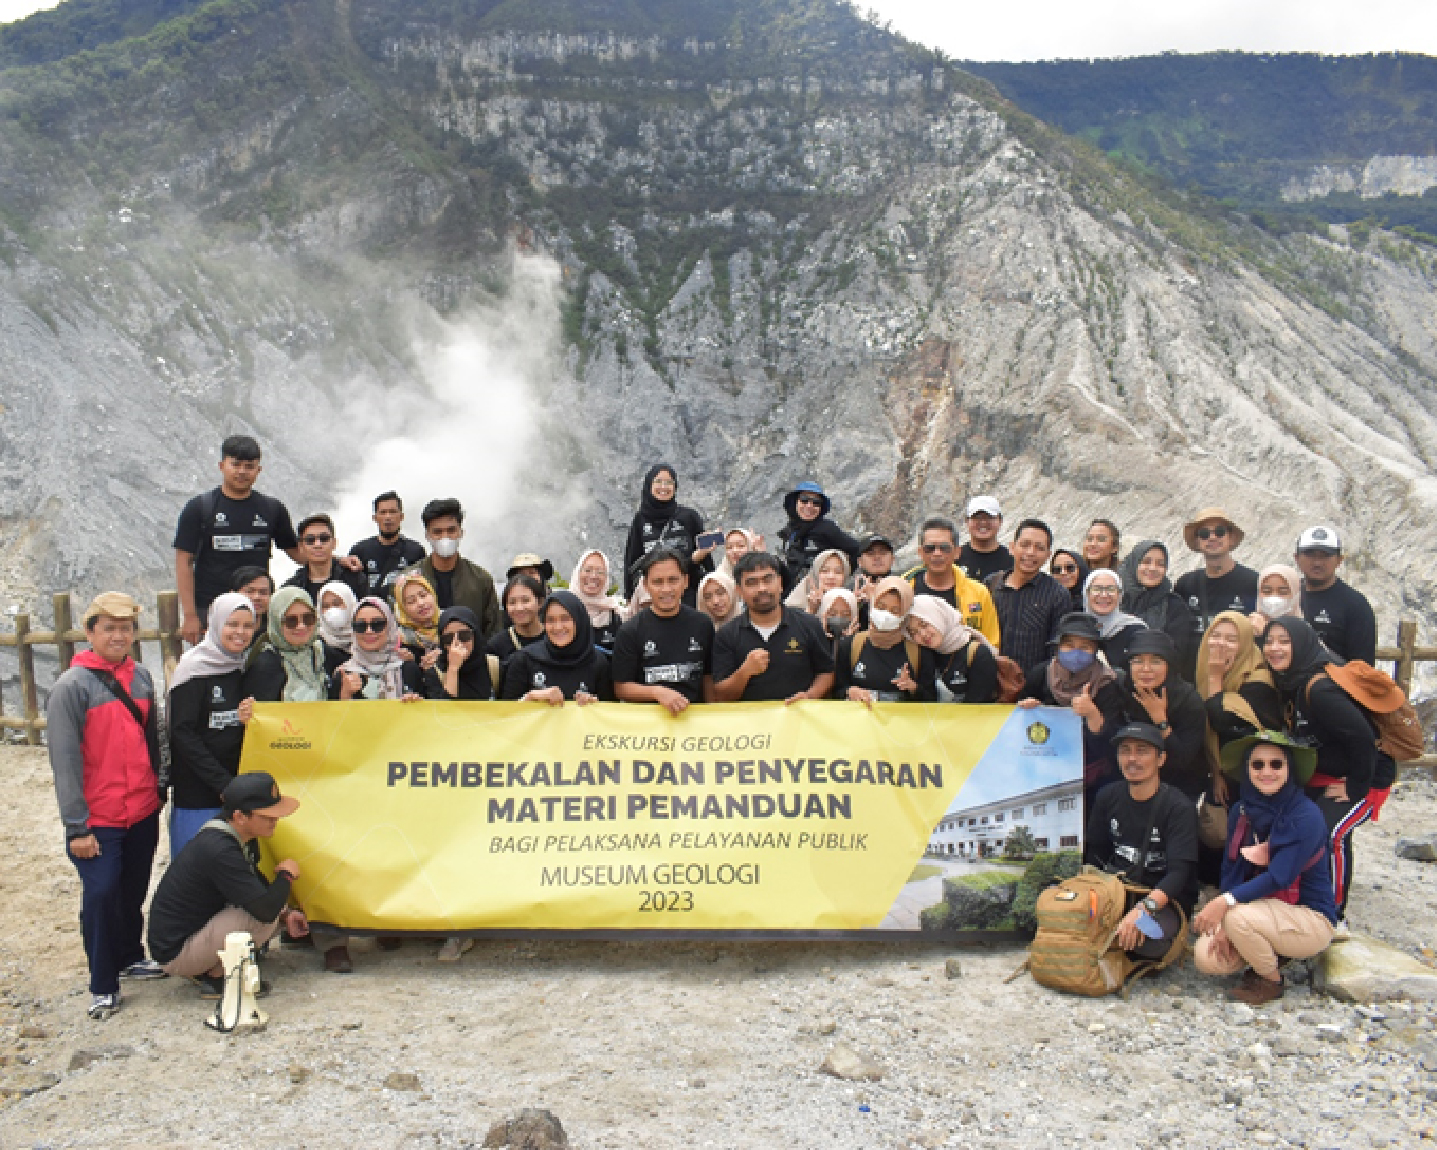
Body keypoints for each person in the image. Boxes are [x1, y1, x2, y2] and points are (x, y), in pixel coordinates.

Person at [46, 593, 166, 1020]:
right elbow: (65, 761)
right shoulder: (71, 687)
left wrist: (158, 789)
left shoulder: (142, 679)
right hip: (98, 817)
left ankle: (131, 955)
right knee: (100, 894)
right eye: (109, 627)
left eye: (126, 627)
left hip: (141, 809)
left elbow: (153, 741)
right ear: (90, 632)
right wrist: (76, 827)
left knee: (133, 890)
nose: (118, 635)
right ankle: (103, 982)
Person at [1193, 734, 1337, 1005]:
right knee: (1206, 957)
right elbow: (1230, 869)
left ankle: (1270, 980)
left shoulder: (1306, 815)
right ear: (1247, 770)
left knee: (1238, 919)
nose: (1266, 772)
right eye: (1257, 765)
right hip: (1259, 911)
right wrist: (1224, 920)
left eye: (1276, 764)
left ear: (1289, 769)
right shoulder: (1241, 811)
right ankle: (1271, 950)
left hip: (1309, 916)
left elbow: (1280, 876)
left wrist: (1225, 905)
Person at [1262, 617, 1383, 922]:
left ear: (1301, 644)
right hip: (1325, 774)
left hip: (1363, 776)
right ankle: (1307, 902)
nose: (1275, 648)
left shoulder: (1320, 688)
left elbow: (1363, 737)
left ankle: (1333, 916)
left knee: (1330, 835)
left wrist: (1356, 786)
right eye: (1269, 641)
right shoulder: (1294, 679)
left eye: (1284, 641)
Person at [146, 772, 309, 995]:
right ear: (240, 816)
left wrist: (287, 913)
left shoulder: (233, 834)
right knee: (262, 920)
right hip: (177, 951)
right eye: (267, 816)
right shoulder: (220, 849)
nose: (275, 820)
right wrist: (286, 876)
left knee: (270, 911)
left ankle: (211, 966)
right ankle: (217, 976)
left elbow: (253, 885)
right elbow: (265, 910)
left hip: (187, 935)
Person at [1083, 722, 1199, 966]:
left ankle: (1116, 940)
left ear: (1161, 759)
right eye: (1125, 751)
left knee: (1149, 940)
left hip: (1160, 899)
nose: (1132, 759)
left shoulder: (1179, 808)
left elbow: (1179, 874)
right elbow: (1095, 855)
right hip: (1118, 891)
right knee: (1065, 914)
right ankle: (1113, 938)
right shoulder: (1108, 796)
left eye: (1142, 751)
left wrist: (1144, 909)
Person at [173, 435, 301, 645]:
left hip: (256, 613)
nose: (242, 471)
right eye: (236, 464)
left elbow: (297, 553)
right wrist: (190, 615)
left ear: (258, 470)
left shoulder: (271, 509)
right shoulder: (199, 508)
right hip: (211, 611)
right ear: (222, 466)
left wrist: (336, 560)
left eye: (249, 466)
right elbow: (183, 561)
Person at [167, 593, 258, 858]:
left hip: (234, 794)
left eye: (248, 625)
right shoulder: (193, 669)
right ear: (216, 624)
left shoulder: (242, 666)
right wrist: (222, 784)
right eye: (232, 624)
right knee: (194, 874)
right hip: (198, 794)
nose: (240, 632)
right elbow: (182, 733)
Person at [1018, 612, 1126, 806]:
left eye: (1085, 647)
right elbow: (1017, 728)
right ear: (1057, 648)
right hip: (1045, 773)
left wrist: (1092, 714)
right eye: (1069, 645)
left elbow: (1112, 746)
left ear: (1095, 651)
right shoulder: (1041, 674)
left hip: (1092, 778)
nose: (1076, 652)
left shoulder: (1108, 684)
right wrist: (1029, 710)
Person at [713, 551, 835, 703]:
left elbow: (826, 673)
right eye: (752, 582)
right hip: (749, 724)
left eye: (767, 579)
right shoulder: (726, 635)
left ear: (780, 583)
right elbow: (721, 696)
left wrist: (809, 696)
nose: (762, 588)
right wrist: (745, 672)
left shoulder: (808, 624)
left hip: (799, 721)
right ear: (739, 591)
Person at [612, 549, 715, 712]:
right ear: (645, 585)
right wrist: (656, 692)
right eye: (658, 582)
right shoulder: (630, 631)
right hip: (649, 729)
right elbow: (621, 688)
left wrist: (712, 714)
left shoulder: (702, 624)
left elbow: (708, 677)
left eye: (673, 580)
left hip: (694, 727)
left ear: (686, 581)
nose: (666, 589)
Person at [1197, 611, 1282, 808]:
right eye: (1215, 636)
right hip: (1222, 774)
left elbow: (1221, 721)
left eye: (1231, 639)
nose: (1220, 643)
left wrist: (1215, 679)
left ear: (1244, 644)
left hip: (1253, 777)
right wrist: (1216, 773)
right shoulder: (1207, 668)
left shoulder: (1258, 681)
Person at [1113, 630, 1208, 802]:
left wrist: (1160, 720)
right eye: (1138, 661)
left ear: (1169, 665)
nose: (1146, 669)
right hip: (1128, 781)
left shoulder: (1188, 700)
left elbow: (1183, 760)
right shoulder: (1120, 690)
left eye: (1156, 661)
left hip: (1180, 787)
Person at [1173, 508, 1259, 678]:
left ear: (1231, 538)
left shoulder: (1252, 582)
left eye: (1219, 532)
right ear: (1198, 542)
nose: (1212, 537)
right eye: (1204, 533)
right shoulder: (1185, 584)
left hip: (1237, 677)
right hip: (1193, 678)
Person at [985, 519, 1070, 673]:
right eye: (1025, 545)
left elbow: (1057, 648)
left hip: (1034, 687)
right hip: (990, 682)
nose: (1030, 552)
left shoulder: (1057, 594)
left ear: (1048, 555)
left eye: (1039, 548)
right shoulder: (991, 584)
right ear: (1012, 547)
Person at [621, 464, 713, 607]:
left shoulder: (690, 517)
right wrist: (629, 597)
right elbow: (631, 560)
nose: (663, 487)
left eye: (669, 482)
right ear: (649, 485)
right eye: (658, 481)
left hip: (690, 597)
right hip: (651, 599)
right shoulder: (640, 520)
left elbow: (707, 562)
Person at [832, 577, 935, 704]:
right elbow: (835, 691)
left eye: (895, 611)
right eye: (881, 607)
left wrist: (913, 688)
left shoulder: (918, 652)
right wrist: (849, 691)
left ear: (904, 616)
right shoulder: (850, 645)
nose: (886, 615)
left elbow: (931, 699)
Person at [501, 591, 614, 703]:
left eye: (565, 619)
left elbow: (609, 713)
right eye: (550, 620)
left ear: (579, 621)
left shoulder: (598, 663)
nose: (558, 627)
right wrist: (531, 697)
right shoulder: (524, 659)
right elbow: (506, 714)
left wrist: (594, 704)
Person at [904, 517, 1002, 645]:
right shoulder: (904, 589)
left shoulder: (979, 593)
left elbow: (992, 643)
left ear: (957, 552)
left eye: (944, 548)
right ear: (920, 552)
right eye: (930, 548)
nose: (937, 553)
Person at [418, 498, 501, 638]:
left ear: (461, 533)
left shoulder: (480, 579)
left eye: (451, 530)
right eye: (437, 532)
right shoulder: (411, 579)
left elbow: (493, 630)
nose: (445, 537)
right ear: (427, 535)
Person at [1295, 526, 1376, 664]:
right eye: (1310, 554)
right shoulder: (1287, 595)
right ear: (1296, 558)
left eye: (1325, 555)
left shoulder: (1355, 604)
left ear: (1339, 560)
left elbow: (1363, 667)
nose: (1317, 562)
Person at [243, 588, 338, 703]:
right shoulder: (266, 664)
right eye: (291, 621)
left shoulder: (320, 653)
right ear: (277, 623)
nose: (301, 626)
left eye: (308, 618)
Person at [906, 595, 1000, 704]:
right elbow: (928, 701)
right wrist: (913, 688)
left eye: (924, 624)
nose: (922, 634)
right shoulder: (924, 653)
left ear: (939, 617)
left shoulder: (977, 654)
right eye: (913, 632)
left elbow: (978, 706)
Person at [1118, 540, 1194, 671]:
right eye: (1146, 562)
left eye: (1161, 564)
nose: (1153, 568)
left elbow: (1176, 655)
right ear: (1134, 563)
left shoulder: (1174, 606)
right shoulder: (1113, 598)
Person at [331, 598, 426, 701]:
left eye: (377, 624)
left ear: (390, 627)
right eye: (360, 625)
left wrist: (414, 703)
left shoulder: (408, 670)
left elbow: (424, 713)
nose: (369, 631)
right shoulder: (343, 674)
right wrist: (345, 695)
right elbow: (335, 716)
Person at [776, 481, 860, 592]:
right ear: (795, 502)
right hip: (793, 592)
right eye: (804, 500)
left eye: (816, 502)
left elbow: (857, 549)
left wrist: (840, 577)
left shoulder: (827, 528)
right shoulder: (790, 531)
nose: (809, 506)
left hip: (820, 592)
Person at [349, 491, 427, 597]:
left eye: (392, 512)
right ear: (375, 518)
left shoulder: (416, 551)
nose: (388, 517)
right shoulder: (359, 551)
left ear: (401, 516)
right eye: (383, 512)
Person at [283, 514, 367, 605]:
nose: (318, 544)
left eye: (324, 538)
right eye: (310, 540)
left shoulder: (356, 580)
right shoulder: (291, 588)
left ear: (334, 543)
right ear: (301, 547)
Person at [424, 608, 497, 701]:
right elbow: (444, 711)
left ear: (475, 635)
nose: (457, 643)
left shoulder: (493, 666)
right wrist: (453, 669)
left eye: (464, 635)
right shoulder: (435, 673)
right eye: (448, 638)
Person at [1084, 569, 1146, 673]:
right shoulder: (1077, 628)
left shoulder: (1136, 630)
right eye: (1096, 589)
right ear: (1086, 593)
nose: (1104, 595)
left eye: (1111, 589)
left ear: (1120, 594)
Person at [487, 575, 547, 669]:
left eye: (525, 601)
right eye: (512, 602)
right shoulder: (496, 646)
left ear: (540, 602)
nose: (519, 608)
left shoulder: (554, 638)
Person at [570, 550, 623, 650]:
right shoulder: (565, 609)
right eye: (587, 570)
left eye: (600, 572)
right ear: (577, 573)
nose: (593, 576)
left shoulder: (615, 614)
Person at [393, 570, 442, 666]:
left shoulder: (452, 623)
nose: (421, 603)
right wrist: (411, 662)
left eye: (423, 595)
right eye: (411, 601)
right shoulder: (399, 640)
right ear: (403, 609)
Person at [957, 496, 1011, 582]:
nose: (983, 522)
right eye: (977, 517)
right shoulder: (955, 558)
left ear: (1000, 521)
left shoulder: (1012, 561)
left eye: (990, 517)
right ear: (967, 521)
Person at [231, 566, 275, 670]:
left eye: (263, 593)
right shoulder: (222, 629)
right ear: (232, 594)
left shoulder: (274, 632)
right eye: (249, 591)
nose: (256, 597)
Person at [785, 548, 851, 612]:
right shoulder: (792, 608)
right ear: (815, 575)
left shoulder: (850, 602)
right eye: (824, 571)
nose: (831, 576)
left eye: (838, 572)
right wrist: (811, 610)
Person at [1249, 563, 1304, 638]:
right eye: (1267, 591)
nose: (1274, 597)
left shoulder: (1304, 634)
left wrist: (1267, 631)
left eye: (1283, 592)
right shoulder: (1247, 628)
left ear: (1295, 595)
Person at [853, 533, 896, 629]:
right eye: (870, 554)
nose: (877, 557)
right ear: (860, 562)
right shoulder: (851, 590)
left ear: (893, 559)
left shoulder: (902, 588)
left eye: (883, 553)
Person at [316, 581, 359, 657]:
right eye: (326, 606)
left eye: (337, 604)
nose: (332, 610)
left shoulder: (366, 634)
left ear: (350, 604)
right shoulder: (317, 646)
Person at [816, 587, 860, 654]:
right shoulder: (813, 637)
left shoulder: (861, 642)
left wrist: (847, 642)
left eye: (845, 614)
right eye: (832, 613)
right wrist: (822, 639)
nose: (838, 617)